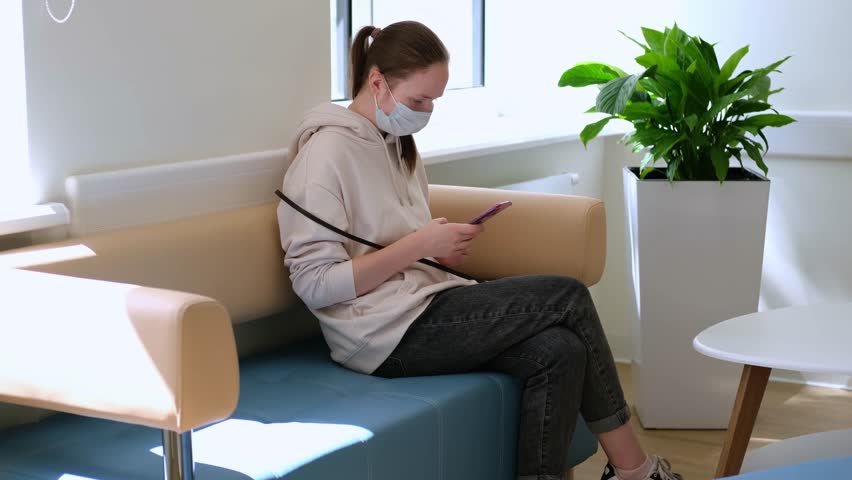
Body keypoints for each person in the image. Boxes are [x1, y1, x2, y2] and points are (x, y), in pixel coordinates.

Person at [276, 20, 683, 480]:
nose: (426, 111)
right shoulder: (325, 155)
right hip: (379, 335)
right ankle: (635, 470)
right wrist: (420, 245)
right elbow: (314, 285)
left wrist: (435, 252)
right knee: (567, 296)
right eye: (418, 100)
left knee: (560, 350)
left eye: (434, 101)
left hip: (421, 305)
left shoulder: (395, 144)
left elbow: (392, 243)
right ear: (377, 83)